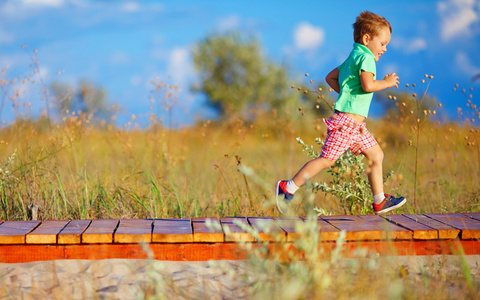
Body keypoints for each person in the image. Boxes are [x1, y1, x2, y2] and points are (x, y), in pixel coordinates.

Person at [275, 10, 406, 215]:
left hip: (355, 127)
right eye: (383, 43)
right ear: (367, 38)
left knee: (376, 155)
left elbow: (331, 77)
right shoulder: (366, 58)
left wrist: (348, 95)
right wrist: (387, 83)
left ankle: (379, 200)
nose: (385, 48)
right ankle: (287, 187)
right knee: (327, 160)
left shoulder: (354, 55)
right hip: (346, 124)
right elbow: (368, 84)